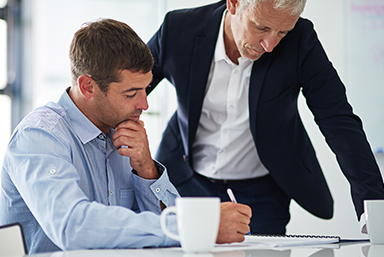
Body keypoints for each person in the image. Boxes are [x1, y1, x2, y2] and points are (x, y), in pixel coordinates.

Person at [0, 19, 252, 254]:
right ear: (88, 86)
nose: (145, 104)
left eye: (145, 89)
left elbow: (162, 232)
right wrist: (197, 226)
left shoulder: (122, 130)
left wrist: (146, 169)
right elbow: (73, 227)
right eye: (131, 93)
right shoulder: (39, 136)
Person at [147, 0, 384, 235]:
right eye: (261, 28)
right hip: (187, 182)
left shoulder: (300, 39)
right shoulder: (179, 28)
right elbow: (129, 85)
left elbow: (338, 119)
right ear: (234, 4)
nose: (270, 45)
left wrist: (373, 206)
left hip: (261, 195)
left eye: (282, 32)